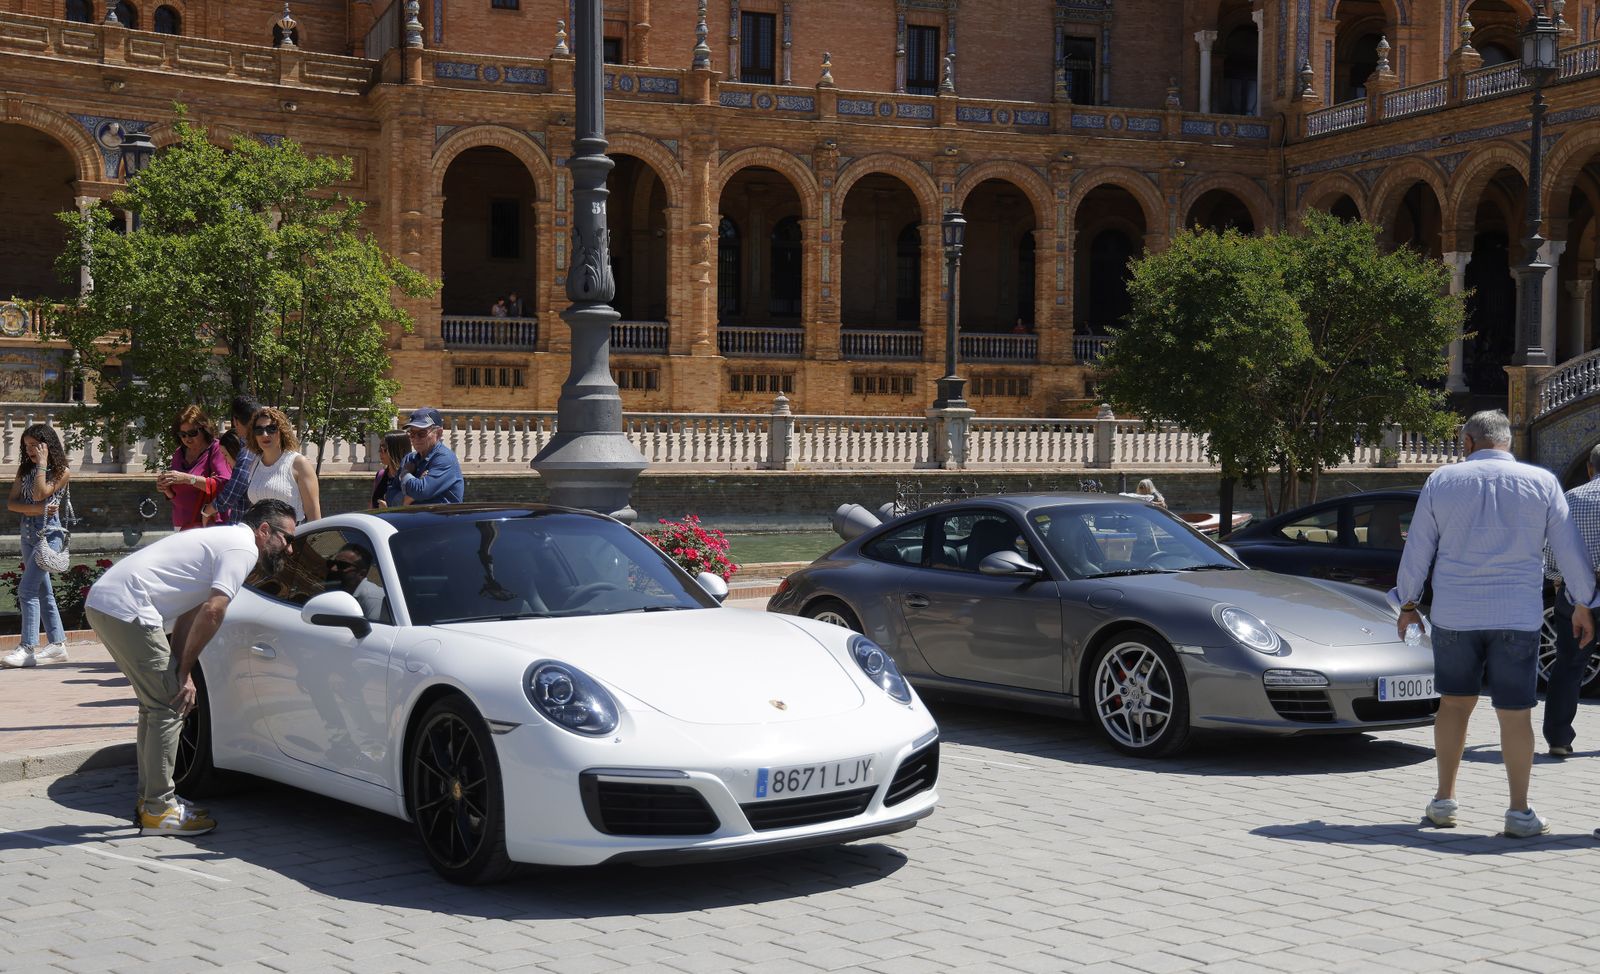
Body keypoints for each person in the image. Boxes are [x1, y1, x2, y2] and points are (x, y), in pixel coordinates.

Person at [1392, 410, 1597, 837]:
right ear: (1508, 443)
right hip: (1516, 615)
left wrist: (1408, 603)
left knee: (1454, 703)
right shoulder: (1541, 482)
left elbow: (1418, 551)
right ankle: (1519, 812)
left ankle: (1444, 801)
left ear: (1466, 443)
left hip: (1455, 613)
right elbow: (1569, 548)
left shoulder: (1441, 481)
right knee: (1515, 713)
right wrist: (1583, 601)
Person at [85, 498, 298, 836]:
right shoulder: (242, 549)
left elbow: (188, 612)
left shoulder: (224, 541)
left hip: (111, 603)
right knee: (170, 704)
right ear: (264, 531)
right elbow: (214, 611)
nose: (288, 550)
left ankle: (151, 802)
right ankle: (159, 809)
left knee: (157, 705)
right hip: (128, 607)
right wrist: (182, 674)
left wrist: (181, 668)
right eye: (287, 539)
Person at [1542, 443, 1600, 759]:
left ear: (1590, 468)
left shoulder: (1572, 498)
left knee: (1568, 666)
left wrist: (1557, 577)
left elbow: (1551, 552)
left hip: (1578, 593)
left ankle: (1559, 738)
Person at [1, 425, 72, 668]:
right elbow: (12, 503)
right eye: (27, 445)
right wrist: (36, 509)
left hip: (49, 536)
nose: (30, 450)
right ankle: (58, 645)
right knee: (43, 592)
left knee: (27, 590)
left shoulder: (62, 471)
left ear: (47, 445)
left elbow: (40, 493)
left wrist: (42, 464)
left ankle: (28, 648)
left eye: (35, 445)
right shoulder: (24, 469)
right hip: (27, 534)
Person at [156, 405, 231, 531]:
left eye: (192, 433)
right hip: (181, 524)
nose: (187, 438)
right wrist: (165, 488)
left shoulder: (216, 449)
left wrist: (188, 479)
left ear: (204, 429)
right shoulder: (179, 453)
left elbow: (225, 484)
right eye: (183, 434)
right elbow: (175, 493)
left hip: (208, 524)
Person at [246, 405, 321, 523]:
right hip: (260, 538)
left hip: (291, 537)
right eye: (259, 430)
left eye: (271, 428)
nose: (265, 434)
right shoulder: (254, 464)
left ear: (282, 431)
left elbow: (314, 515)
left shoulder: (299, 464)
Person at [205, 396, 263, 525]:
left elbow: (232, 493)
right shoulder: (264, 447)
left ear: (235, 421)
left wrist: (208, 510)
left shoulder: (248, 451)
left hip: (246, 527)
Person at [398, 406, 465, 505]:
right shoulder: (409, 458)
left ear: (439, 433)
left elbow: (420, 491)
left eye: (422, 433)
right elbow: (390, 495)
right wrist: (406, 497)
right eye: (412, 433)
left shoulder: (445, 459)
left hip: (440, 520)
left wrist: (405, 473)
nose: (415, 438)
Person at [327, 542, 385, 620]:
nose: (333, 568)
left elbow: (376, 631)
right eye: (331, 563)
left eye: (342, 565)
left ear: (361, 573)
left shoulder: (371, 597)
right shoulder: (339, 592)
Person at [372, 430, 410, 509]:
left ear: (397, 449)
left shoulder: (410, 477)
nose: (380, 452)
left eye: (384, 448)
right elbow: (372, 505)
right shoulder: (380, 475)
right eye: (380, 448)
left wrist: (388, 509)